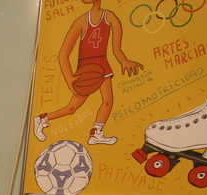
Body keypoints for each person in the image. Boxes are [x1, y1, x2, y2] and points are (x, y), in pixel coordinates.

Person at [32, 0, 142, 146]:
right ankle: (42, 119)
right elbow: (63, 53)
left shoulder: (110, 17)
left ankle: (97, 133)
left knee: (108, 102)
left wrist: (124, 61)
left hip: (103, 64)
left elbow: (116, 49)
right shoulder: (81, 21)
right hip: (87, 67)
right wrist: (69, 77)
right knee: (72, 108)